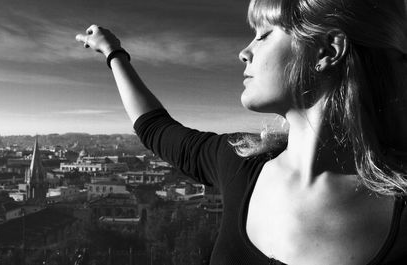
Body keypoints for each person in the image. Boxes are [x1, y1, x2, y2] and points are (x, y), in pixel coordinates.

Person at [75, 0, 407, 264]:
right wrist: (113, 53)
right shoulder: (238, 162)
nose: (243, 52)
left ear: (327, 51)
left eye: (263, 35)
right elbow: (155, 128)